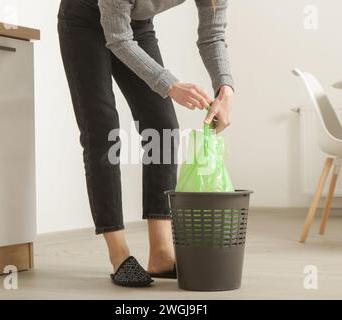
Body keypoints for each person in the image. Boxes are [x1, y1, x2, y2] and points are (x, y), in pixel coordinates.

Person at [58, 0, 234, 287]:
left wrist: (225, 88)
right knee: (103, 132)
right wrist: (170, 85)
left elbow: (212, 35)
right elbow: (116, 39)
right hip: (83, 21)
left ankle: (162, 253)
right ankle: (119, 255)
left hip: (135, 25)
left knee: (163, 127)